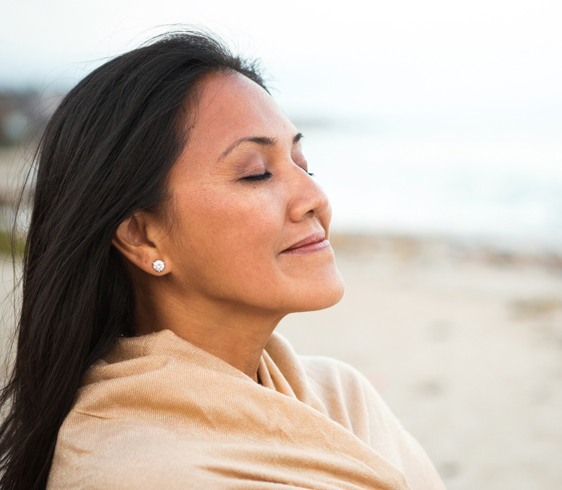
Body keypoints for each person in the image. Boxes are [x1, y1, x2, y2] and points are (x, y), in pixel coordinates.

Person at [0, 31, 446, 490]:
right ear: (142, 236)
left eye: (303, 164)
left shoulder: (342, 397)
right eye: (257, 173)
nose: (314, 197)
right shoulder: (138, 472)